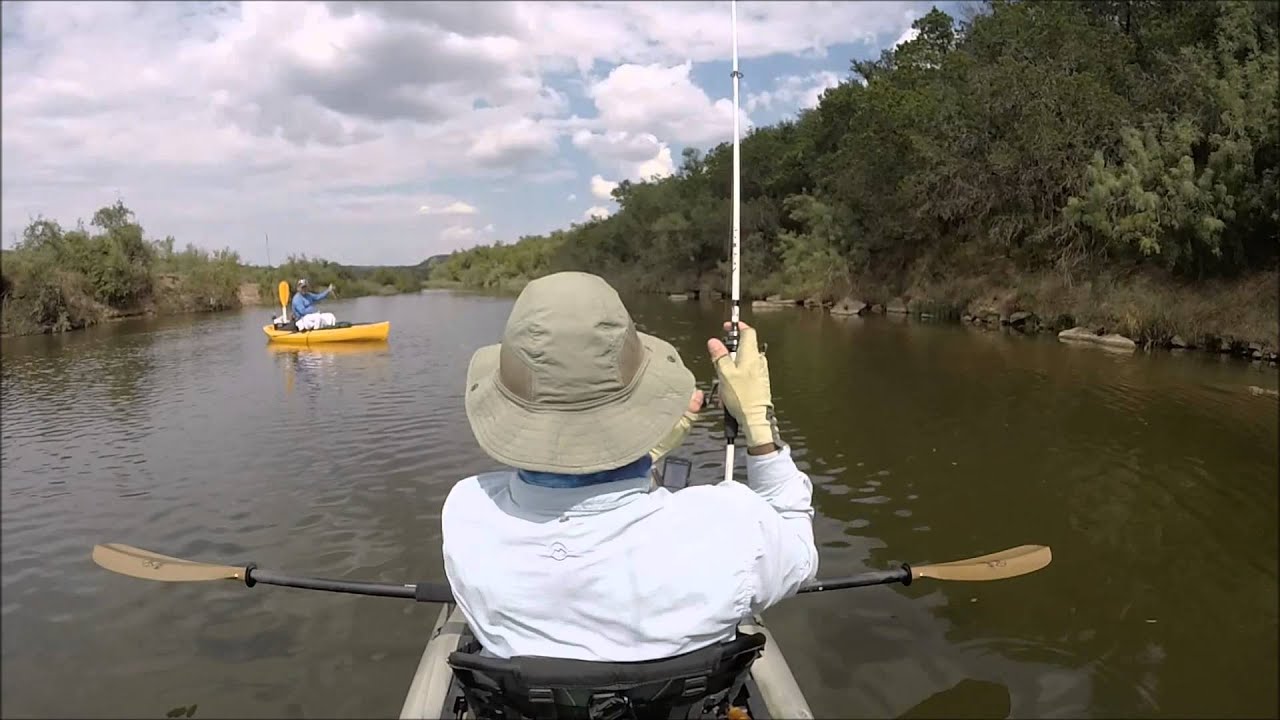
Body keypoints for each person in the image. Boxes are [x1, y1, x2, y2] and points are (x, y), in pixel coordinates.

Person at [441, 271, 818, 663]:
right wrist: (758, 422)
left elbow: (583, 507)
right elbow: (800, 551)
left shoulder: (468, 514)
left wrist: (648, 451)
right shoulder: (734, 527)